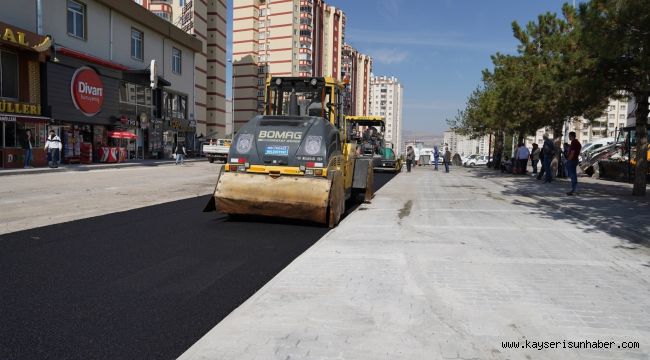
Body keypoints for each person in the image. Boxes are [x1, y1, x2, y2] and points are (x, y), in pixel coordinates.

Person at [565, 132, 582, 196]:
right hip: (574, 159)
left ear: (572, 136)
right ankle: (574, 189)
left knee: (573, 176)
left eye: (569, 136)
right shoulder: (577, 142)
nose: (569, 137)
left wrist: (568, 160)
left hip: (572, 160)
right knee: (573, 175)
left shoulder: (574, 142)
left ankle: (575, 190)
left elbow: (572, 152)